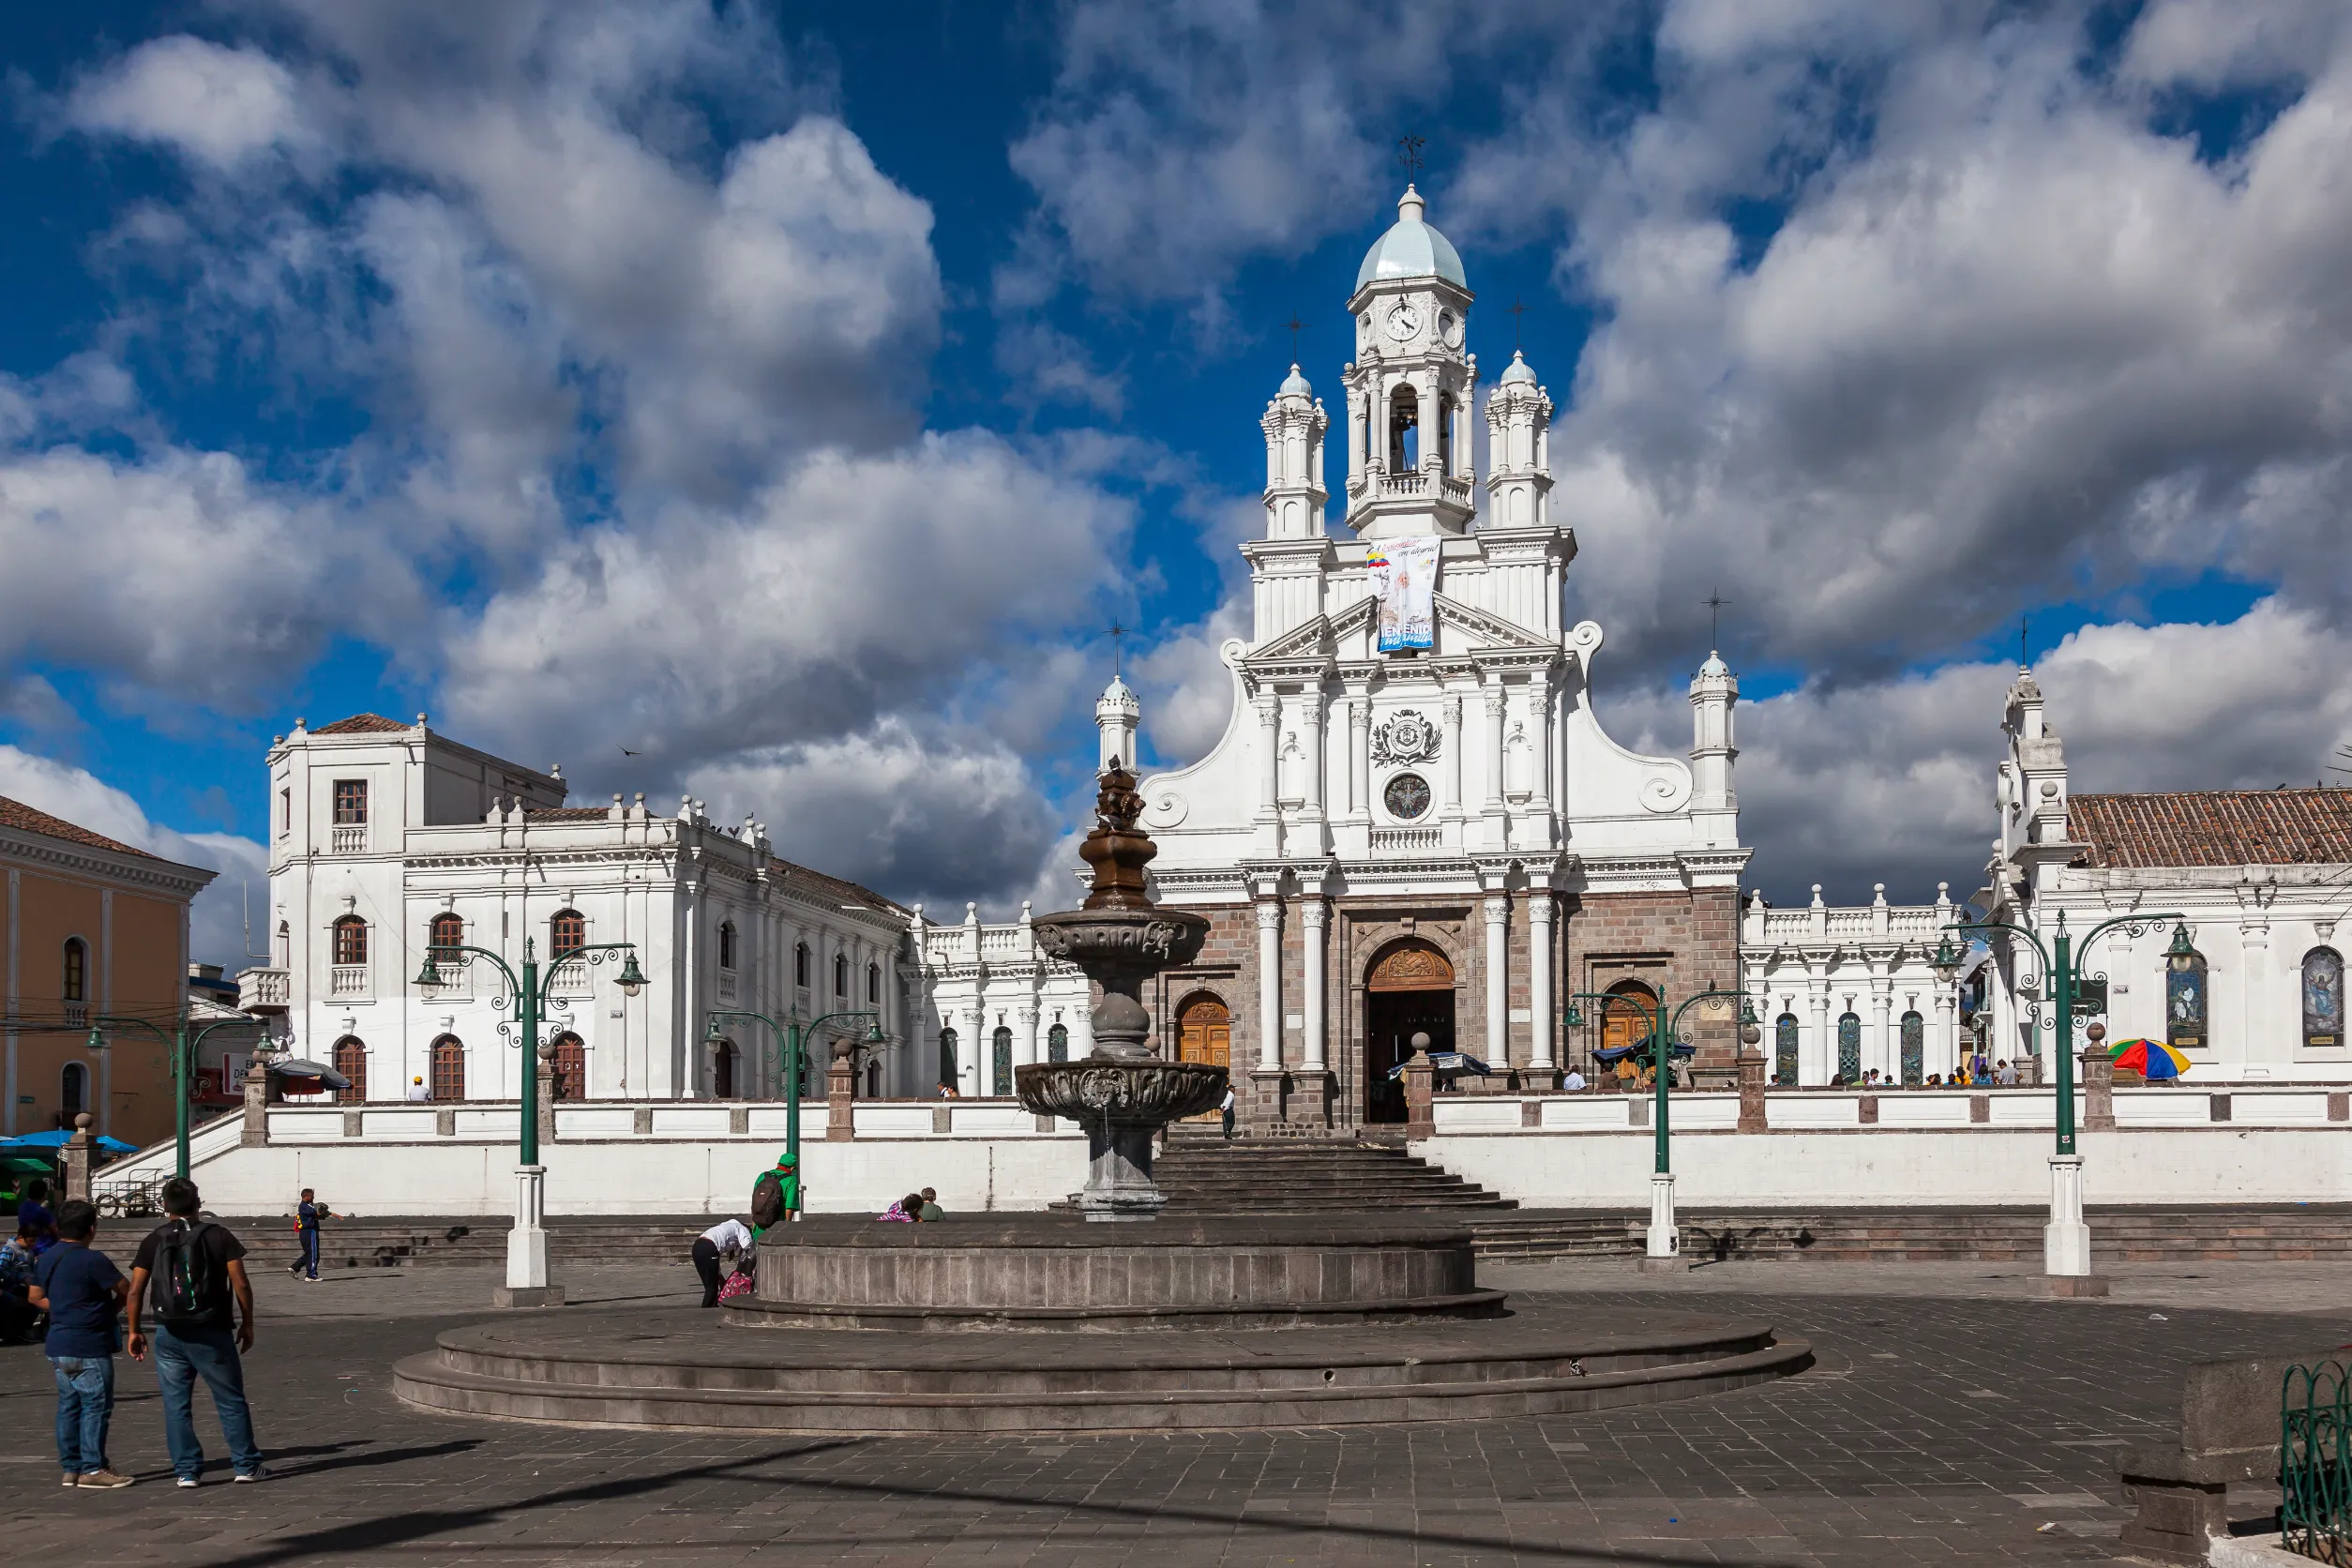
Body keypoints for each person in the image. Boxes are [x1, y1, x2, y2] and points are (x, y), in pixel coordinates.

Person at [127, 1177, 264, 1487]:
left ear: (164, 1206)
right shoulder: (219, 1236)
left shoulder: (153, 1240)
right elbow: (240, 1283)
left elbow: (135, 1291)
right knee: (230, 1399)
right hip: (212, 1329)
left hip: (169, 1331)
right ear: (198, 1203)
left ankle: (186, 1470)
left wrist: (134, 1330)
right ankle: (245, 1464)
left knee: (176, 1405)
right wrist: (247, 1321)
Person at [29, 1199, 134, 1488]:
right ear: (91, 1228)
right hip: (89, 1342)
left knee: (68, 1406)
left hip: (59, 1342)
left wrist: (63, 1308)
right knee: (96, 1406)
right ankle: (93, 1467)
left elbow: (35, 1296)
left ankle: (71, 1467)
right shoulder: (93, 1260)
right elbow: (127, 1290)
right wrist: (110, 1311)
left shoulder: (46, 1257)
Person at [692, 1217, 753, 1308]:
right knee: (712, 1288)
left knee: (710, 1285)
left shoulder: (728, 1225)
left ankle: (712, 1306)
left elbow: (715, 1263)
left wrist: (720, 1277)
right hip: (709, 1247)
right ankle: (706, 1311)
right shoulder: (743, 1229)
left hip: (698, 1246)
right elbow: (749, 1249)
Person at [0, 1221, 40, 1342]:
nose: (33, 1244)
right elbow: (1, 1269)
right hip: (12, 1287)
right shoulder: (8, 1250)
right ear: (21, 1237)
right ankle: (15, 1333)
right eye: (31, 1241)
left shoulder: (29, 1252)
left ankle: (21, 1331)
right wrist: (19, 1277)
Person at [749, 1153, 800, 1240]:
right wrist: (787, 1227)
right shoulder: (791, 1180)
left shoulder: (762, 1176)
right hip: (777, 1227)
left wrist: (754, 1223)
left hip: (758, 1226)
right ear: (792, 1168)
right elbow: (790, 1206)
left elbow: (756, 1200)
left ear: (778, 1164)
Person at [289, 1189, 331, 1282]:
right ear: (306, 1197)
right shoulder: (305, 1206)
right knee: (313, 1254)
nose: (313, 1198)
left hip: (306, 1232)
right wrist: (323, 1210)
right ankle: (311, 1275)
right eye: (312, 1196)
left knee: (310, 1253)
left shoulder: (306, 1206)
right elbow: (315, 1212)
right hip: (309, 1231)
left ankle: (295, 1267)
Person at [19, 1177, 57, 1256]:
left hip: (30, 1247)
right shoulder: (40, 1211)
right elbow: (55, 1229)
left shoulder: (22, 1208)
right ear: (44, 1193)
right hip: (45, 1249)